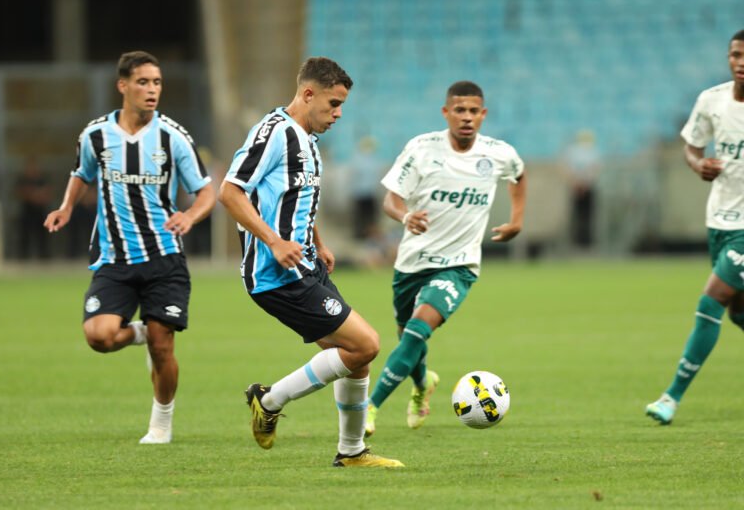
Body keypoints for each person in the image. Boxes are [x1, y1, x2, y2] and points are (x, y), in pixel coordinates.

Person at [219, 57, 403, 468]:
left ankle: (352, 452)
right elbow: (230, 192)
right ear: (307, 94)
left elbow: (296, 199)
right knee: (366, 343)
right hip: (276, 272)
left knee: (357, 357)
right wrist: (274, 241)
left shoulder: (308, 139)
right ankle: (268, 400)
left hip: (304, 265)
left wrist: (316, 242)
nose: (337, 114)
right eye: (333, 104)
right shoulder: (273, 134)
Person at [44, 51, 215, 443]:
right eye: (143, 82)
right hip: (114, 259)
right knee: (100, 337)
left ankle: (161, 425)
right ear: (123, 86)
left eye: (157, 82)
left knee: (163, 347)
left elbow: (206, 191)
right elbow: (81, 173)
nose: (152, 90)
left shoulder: (173, 136)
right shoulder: (96, 135)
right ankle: (141, 332)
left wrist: (190, 217)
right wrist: (67, 207)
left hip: (164, 257)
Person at [364, 81, 527, 436]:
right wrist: (406, 217)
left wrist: (516, 219)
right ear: (446, 113)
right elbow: (391, 200)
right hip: (412, 263)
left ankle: (369, 407)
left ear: (483, 115)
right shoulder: (422, 149)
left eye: (473, 111)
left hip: (459, 265)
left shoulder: (498, 153)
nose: (466, 118)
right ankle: (423, 384)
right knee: (409, 337)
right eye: (459, 110)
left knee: (415, 333)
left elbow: (518, 174)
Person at [646, 30, 744, 425]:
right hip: (719, 220)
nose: (741, 62)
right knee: (739, 313)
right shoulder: (712, 100)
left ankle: (671, 397)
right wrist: (696, 164)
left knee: (711, 300)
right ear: (728, 58)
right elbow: (692, 145)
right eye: (736, 54)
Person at [561, 129, 601, 249]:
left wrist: (583, 183)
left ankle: (587, 242)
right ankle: (575, 242)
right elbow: (565, 167)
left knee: (589, 216)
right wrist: (576, 182)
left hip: (586, 187)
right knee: (575, 216)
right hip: (576, 187)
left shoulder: (590, 152)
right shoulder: (575, 152)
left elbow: (595, 169)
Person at [16, 157, 53, 259]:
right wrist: (35, 195)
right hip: (27, 210)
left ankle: (44, 256)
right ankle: (24, 257)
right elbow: (22, 193)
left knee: (42, 236)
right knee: (25, 236)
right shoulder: (23, 179)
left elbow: (47, 194)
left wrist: (35, 194)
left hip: (40, 211)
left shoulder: (42, 179)